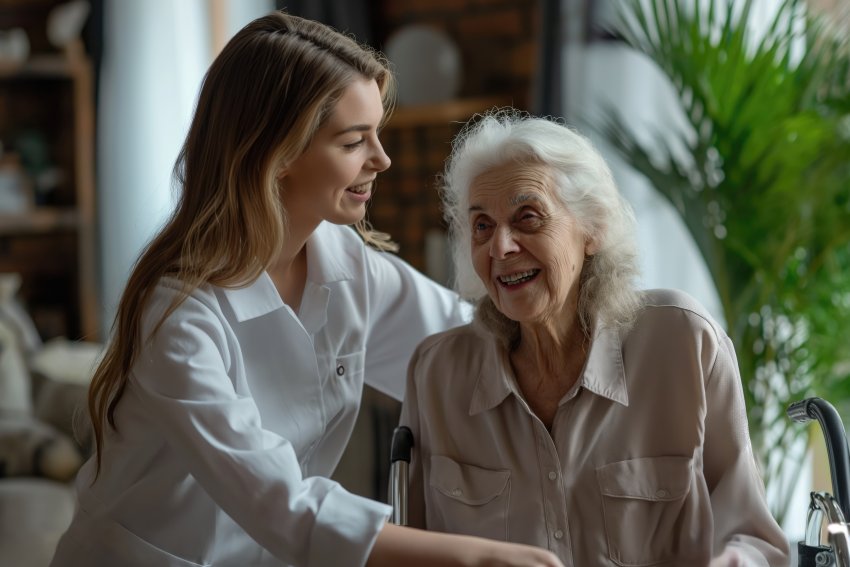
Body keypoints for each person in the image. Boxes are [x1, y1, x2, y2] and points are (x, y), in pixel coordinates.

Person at [49, 13, 565, 567]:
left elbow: (472, 346)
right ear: (279, 154)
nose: (382, 159)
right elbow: (281, 506)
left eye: (377, 134)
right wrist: (480, 557)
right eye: (353, 141)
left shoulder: (350, 269)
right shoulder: (178, 317)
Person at [399, 110, 791, 566]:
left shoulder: (682, 341)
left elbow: (754, 541)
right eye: (482, 226)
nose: (500, 247)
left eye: (527, 217)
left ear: (593, 228)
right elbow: (408, 549)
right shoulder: (437, 373)